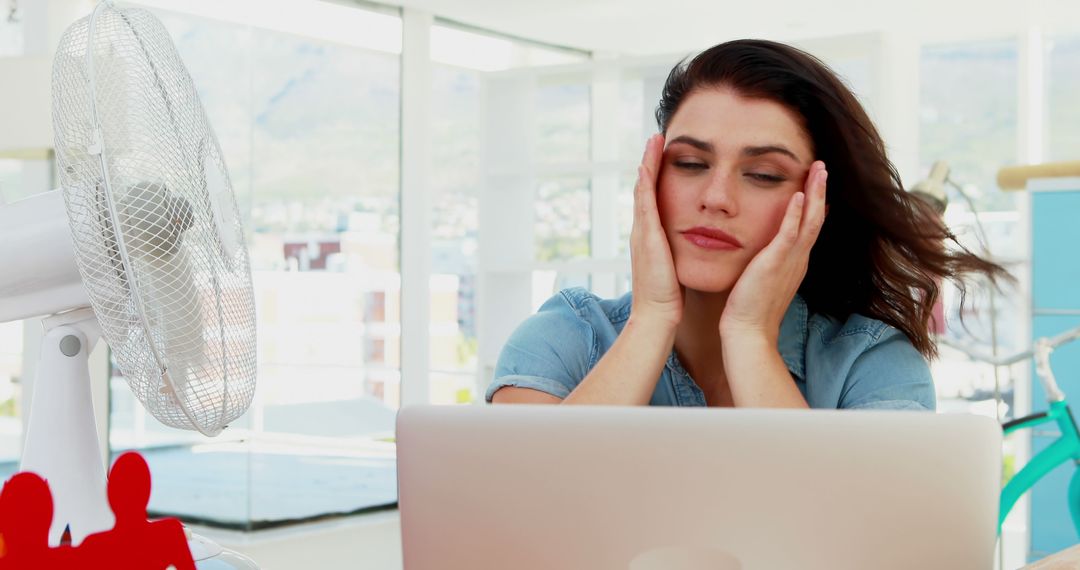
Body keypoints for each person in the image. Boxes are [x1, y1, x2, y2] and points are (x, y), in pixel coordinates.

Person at [487, 39, 1006, 409]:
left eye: (762, 174)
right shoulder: (564, 337)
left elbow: (860, 544)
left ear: (817, 203)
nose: (716, 198)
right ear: (651, 178)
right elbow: (517, 519)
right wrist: (651, 319)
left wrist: (750, 336)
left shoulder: (870, 364)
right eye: (690, 163)